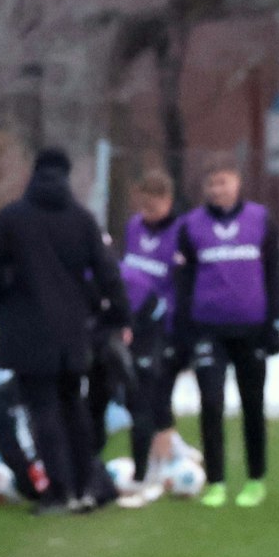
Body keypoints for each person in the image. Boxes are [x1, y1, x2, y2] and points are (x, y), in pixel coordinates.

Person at [0, 148, 130, 515]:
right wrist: (118, 317)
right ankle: (86, 485)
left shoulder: (13, 217)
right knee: (73, 406)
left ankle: (59, 492)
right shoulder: (81, 219)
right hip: (73, 330)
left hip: (26, 329)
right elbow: (108, 272)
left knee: (42, 409)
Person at [173, 165, 279, 508]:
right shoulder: (191, 226)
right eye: (210, 183)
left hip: (252, 328)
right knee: (211, 402)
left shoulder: (260, 220)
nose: (216, 189)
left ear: (237, 182)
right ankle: (216, 481)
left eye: (222, 182)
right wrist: (185, 329)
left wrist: (275, 320)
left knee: (253, 404)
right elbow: (184, 280)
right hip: (209, 329)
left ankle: (255, 479)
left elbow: (274, 272)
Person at [116, 170, 188, 498]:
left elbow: (181, 281)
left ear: (168, 201)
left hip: (162, 323)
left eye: (154, 206)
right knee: (130, 390)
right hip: (132, 321)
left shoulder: (180, 231)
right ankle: (170, 447)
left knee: (156, 392)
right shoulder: (133, 227)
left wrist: (174, 321)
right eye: (143, 205)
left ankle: (160, 464)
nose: (148, 211)